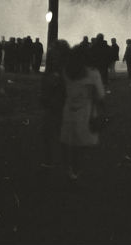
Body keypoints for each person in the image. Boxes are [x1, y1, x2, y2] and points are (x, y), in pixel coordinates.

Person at [60, 45, 105, 180]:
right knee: (82, 146)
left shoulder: (66, 71)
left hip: (68, 111)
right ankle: (77, 174)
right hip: (85, 112)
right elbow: (100, 96)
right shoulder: (93, 74)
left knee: (69, 143)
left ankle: (69, 172)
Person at [40, 40, 70, 169]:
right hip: (60, 105)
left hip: (56, 105)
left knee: (51, 134)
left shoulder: (57, 69)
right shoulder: (67, 67)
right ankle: (64, 162)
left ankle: (50, 160)